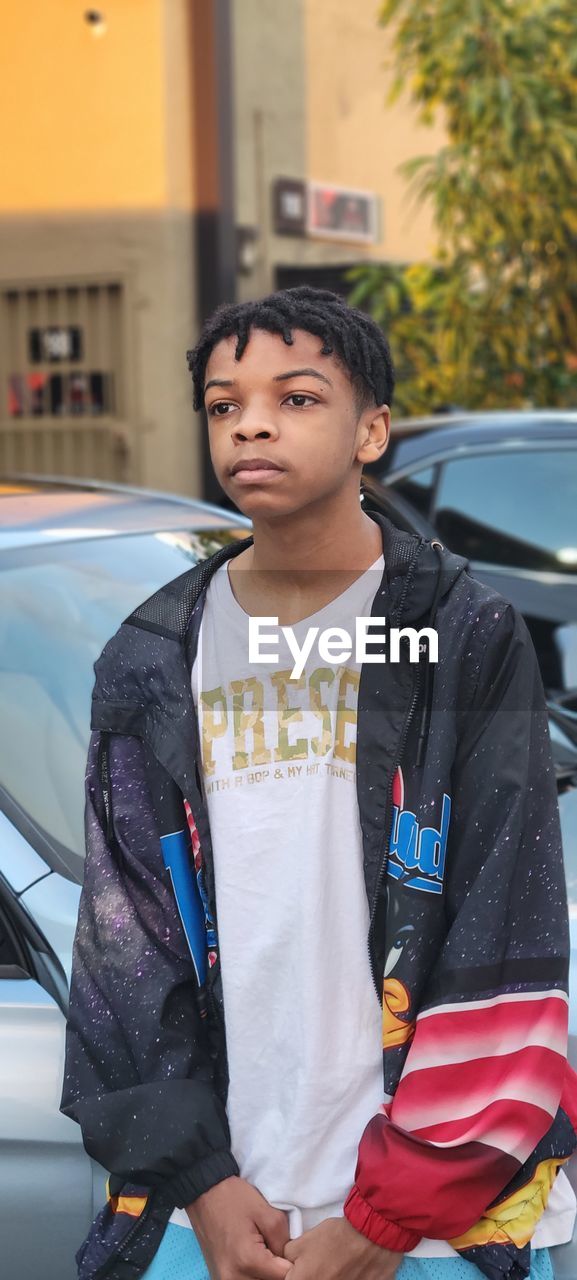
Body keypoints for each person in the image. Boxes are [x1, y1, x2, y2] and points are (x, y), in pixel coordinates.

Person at [61, 286, 577, 1280]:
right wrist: (202, 1180)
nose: (250, 419)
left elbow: (504, 927)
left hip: (438, 1222)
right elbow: (127, 942)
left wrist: (385, 1219)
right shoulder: (152, 655)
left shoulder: (459, 635)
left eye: (296, 397)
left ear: (371, 429)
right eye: (224, 403)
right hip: (213, 1218)